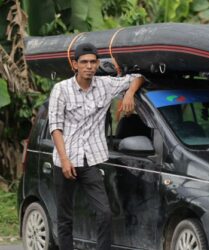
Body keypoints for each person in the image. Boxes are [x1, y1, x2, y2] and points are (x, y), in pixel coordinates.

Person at [48, 43, 144, 250]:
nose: (89, 66)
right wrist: (64, 160)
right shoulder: (61, 90)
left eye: (93, 62)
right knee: (65, 217)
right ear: (75, 65)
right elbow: (55, 127)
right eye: (84, 62)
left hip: (90, 161)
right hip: (65, 161)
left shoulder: (105, 85)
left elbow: (137, 77)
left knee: (105, 213)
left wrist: (128, 94)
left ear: (98, 64)